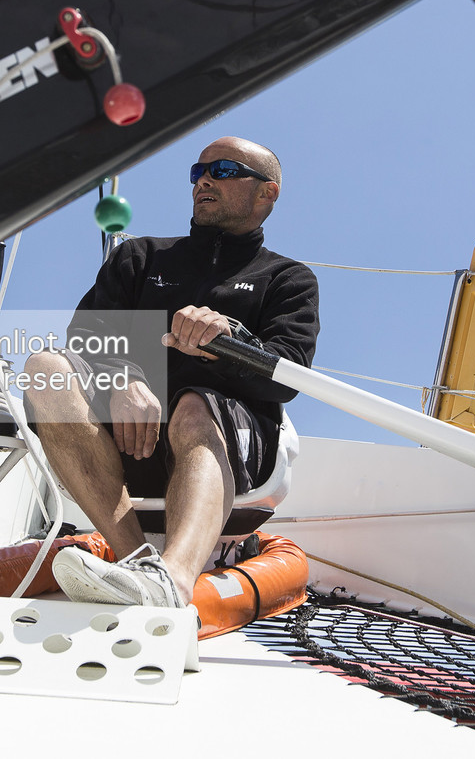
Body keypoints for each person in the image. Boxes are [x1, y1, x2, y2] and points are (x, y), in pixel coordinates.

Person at [20, 136, 319, 608]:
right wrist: (124, 379)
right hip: (122, 442)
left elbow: (288, 374)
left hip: (226, 448)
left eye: (222, 171)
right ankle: (139, 566)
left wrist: (230, 339)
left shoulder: (287, 279)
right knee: (45, 368)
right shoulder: (140, 258)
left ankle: (174, 582)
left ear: (268, 192)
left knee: (194, 404)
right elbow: (86, 336)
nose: (203, 180)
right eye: (197, 172)